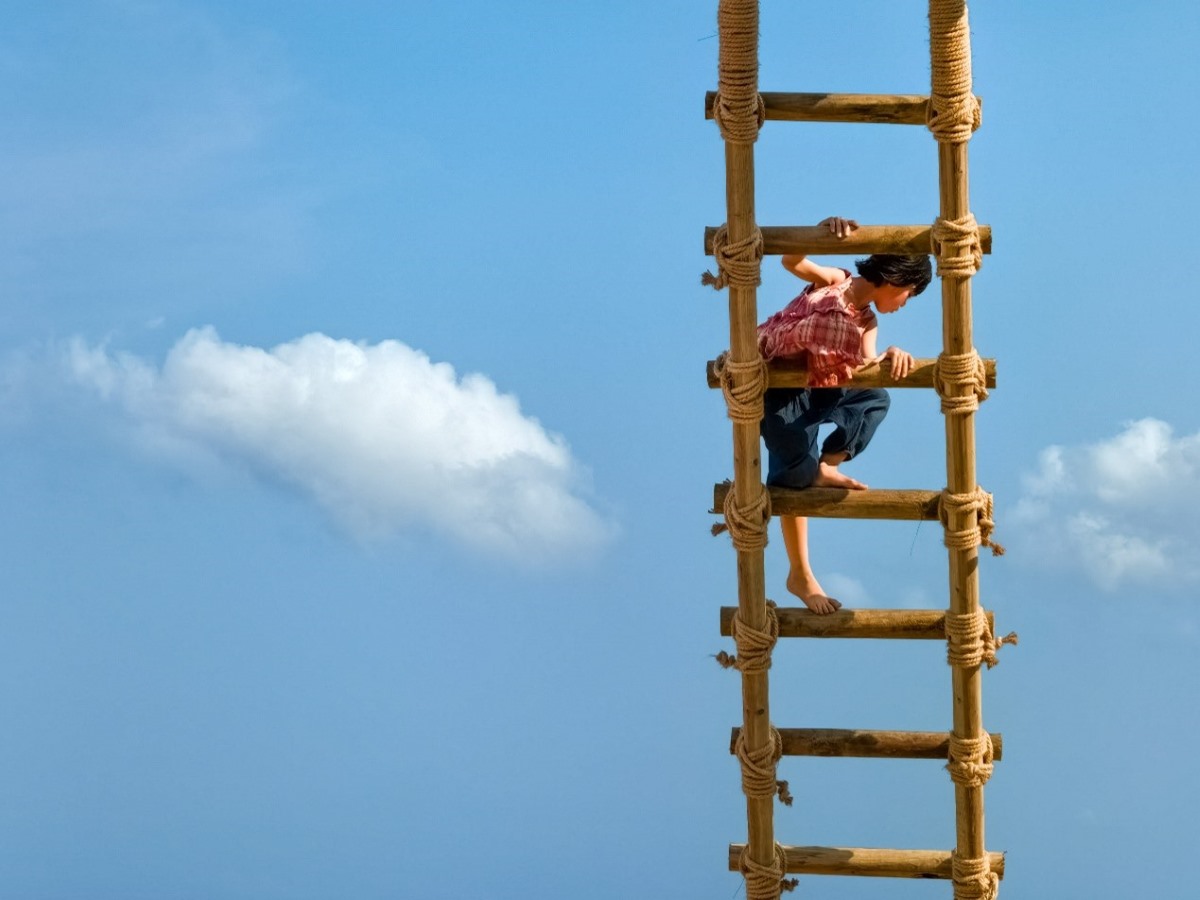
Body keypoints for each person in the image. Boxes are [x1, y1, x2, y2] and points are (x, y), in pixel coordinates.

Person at [758, 216, 932, 614]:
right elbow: (791, 260)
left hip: (824, 388)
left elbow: (866, 367)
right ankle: (800, 572)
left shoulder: (867, 321)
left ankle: (829, 463)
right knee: (793, 479)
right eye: (909, 295)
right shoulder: (836, 281)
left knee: (876, 397)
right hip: (784, 395)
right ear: (897, 281)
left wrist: (892, 354)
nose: (904, 305)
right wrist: (823, 233)